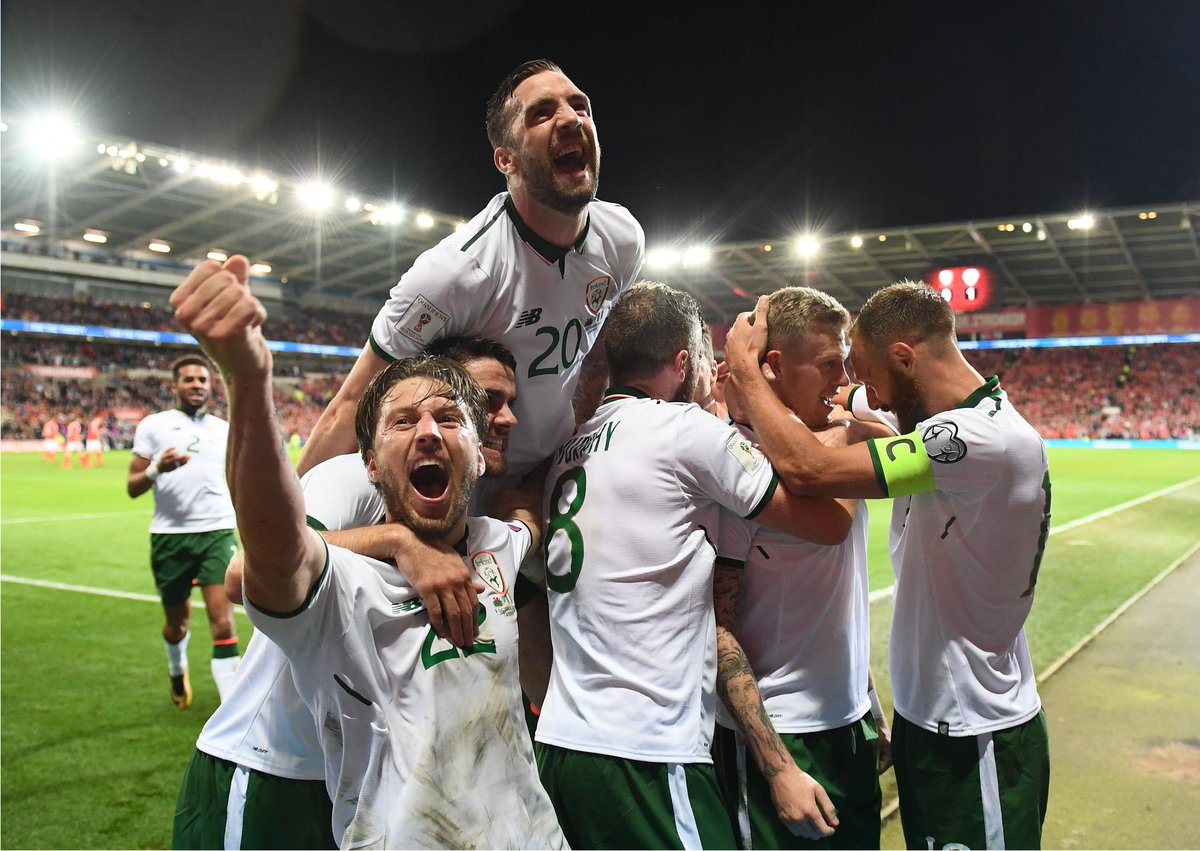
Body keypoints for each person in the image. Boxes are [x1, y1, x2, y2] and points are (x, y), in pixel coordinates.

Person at [170, 255, 566, 850]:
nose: (503, 418)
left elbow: (517, 528)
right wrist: (397, 541)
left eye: (467, 413)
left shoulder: (472, 511)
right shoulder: (355, 478)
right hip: (273, 760)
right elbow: (248, 569)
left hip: (361, 776)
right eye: (486, 400)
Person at [725, 280, 1052, 850]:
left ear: (905, 357)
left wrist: (746, 374)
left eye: (870, 376)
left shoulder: (974, 440)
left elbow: (810, 471)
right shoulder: (954, 423)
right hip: (933, 719)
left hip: (974, 726)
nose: (867, 394)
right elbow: (852, 405)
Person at [535, 281, 854, 850]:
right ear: (684, 364)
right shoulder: (684, 430)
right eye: (707, 358)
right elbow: (829, 522)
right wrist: (830, 428)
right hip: (644, 751)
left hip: (563, 740)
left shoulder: (568, 448)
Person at [295, 57, 644, 502]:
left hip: (556, 474)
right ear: (506, 160)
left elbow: (594, 355)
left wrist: (571, 445)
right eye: (541, 113)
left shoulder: (623, 239)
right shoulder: (456, 273)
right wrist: (278, 527)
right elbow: (351, 405)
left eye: (580, 106)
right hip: (464, 492)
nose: (571, 119)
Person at [710, 286, 893, 850]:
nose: (844, 379)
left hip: (848, 723)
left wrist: (866, 702)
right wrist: (778, 767)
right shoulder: (735, 467)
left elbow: (833, 599)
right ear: (774, 366)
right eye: (829, 364)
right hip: (782, 734)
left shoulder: (835, 445)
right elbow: (717, 628)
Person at [127, 354, 240, 711]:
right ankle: (177, 668)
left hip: (217, 533)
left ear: (210, 386)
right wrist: (156, 469)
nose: (196, 385)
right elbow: (132, 487)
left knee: (223, 625)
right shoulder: (153, 426)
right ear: (174, 385)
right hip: (170, 537)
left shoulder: (224, 429)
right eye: (189, 379)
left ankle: (233, 713)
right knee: (177, 625)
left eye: (202, 380)